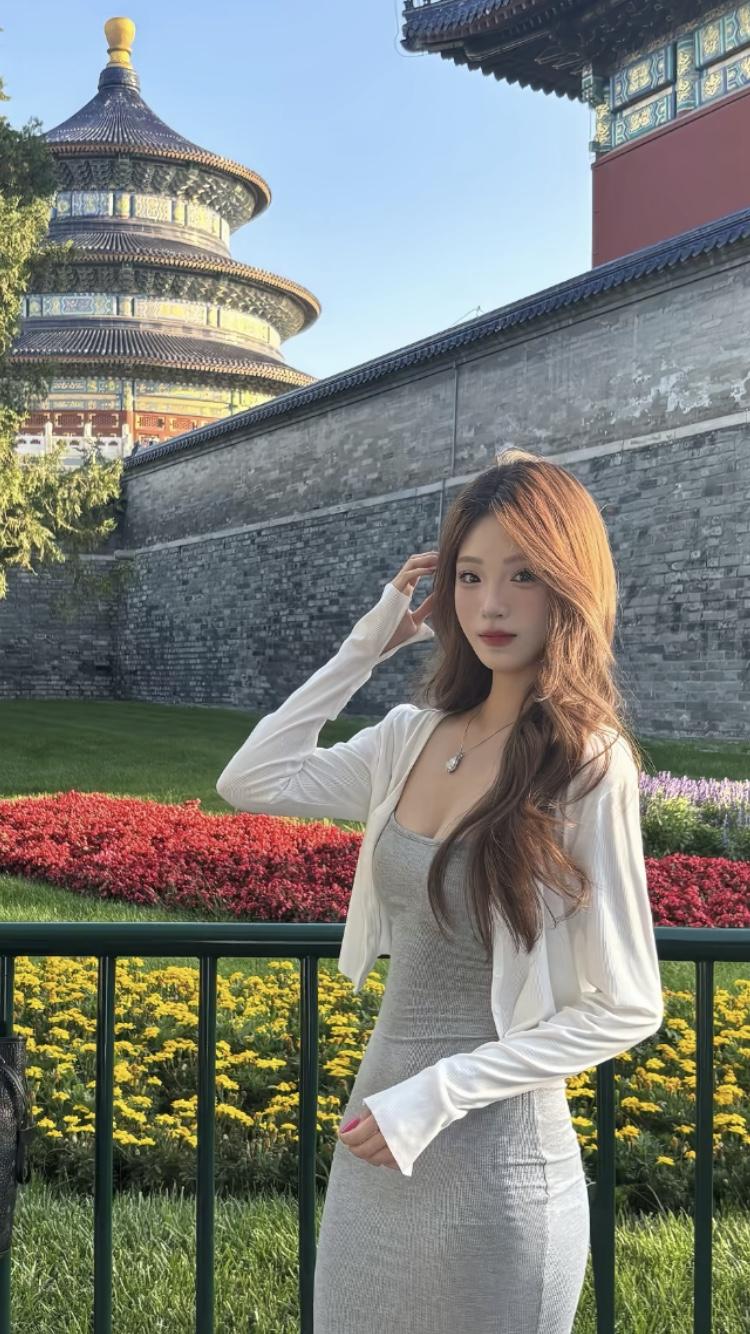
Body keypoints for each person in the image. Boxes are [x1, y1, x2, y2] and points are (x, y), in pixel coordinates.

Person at [215, 447, 664, 1333]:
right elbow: (253, 778)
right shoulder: (409, 736)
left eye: (523, 575)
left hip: (497, 1173)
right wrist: (366, 645)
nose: (491, 604)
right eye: (470, 576)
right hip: (375, 1154)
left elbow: (629, 1005)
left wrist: (439, 1091)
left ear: (569, 585)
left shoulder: (586, 763)